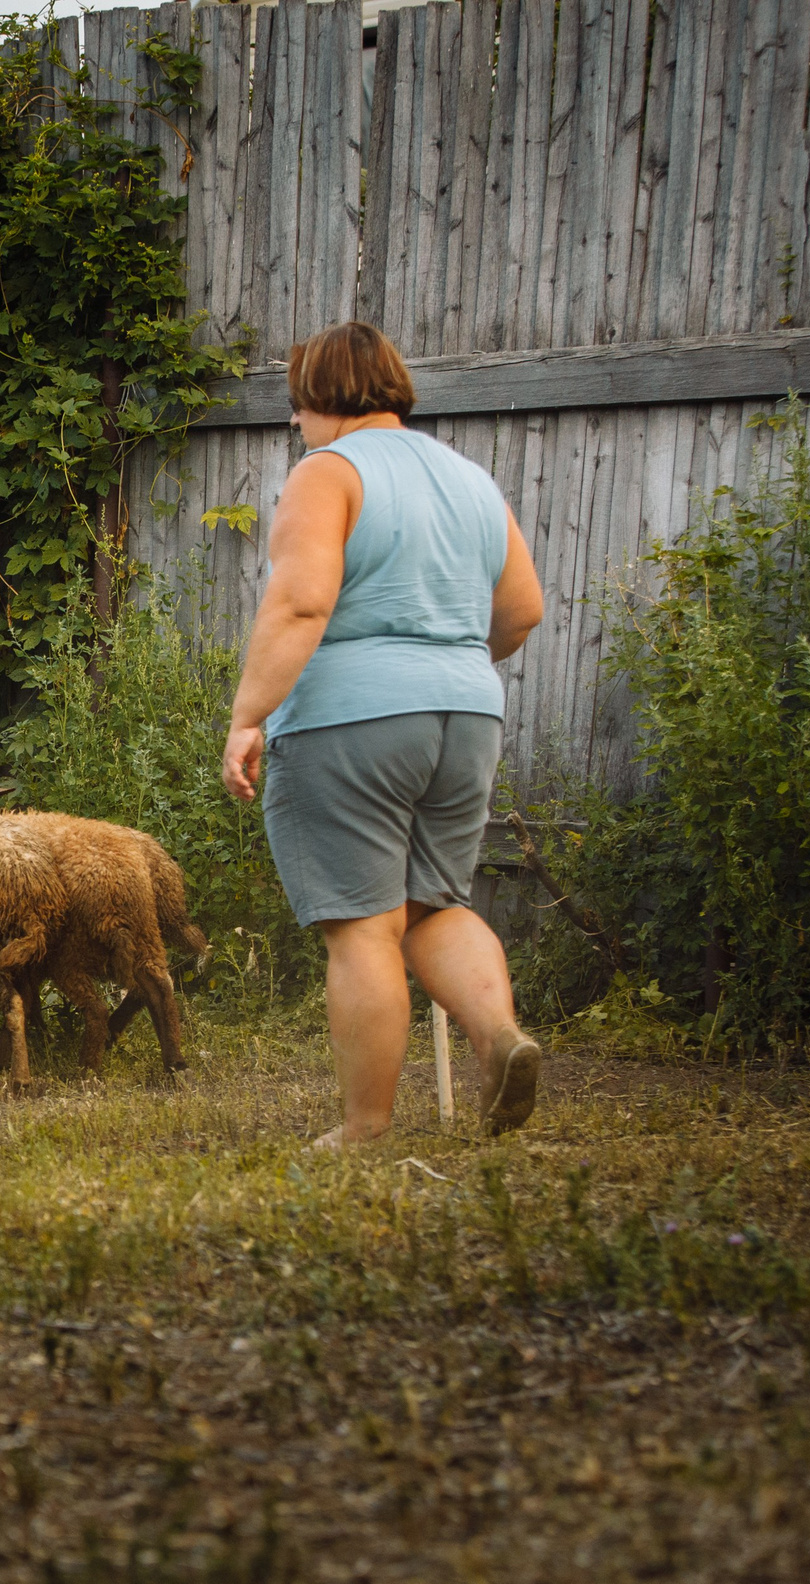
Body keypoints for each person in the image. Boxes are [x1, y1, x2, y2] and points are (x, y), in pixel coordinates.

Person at [220, 322, 546, 1148]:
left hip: (351, 717)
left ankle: (366, 1129)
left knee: (364, 925)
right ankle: (499, 1035)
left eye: (296, 404)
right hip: (468, 711)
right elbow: (521, 612)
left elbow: (300, 605)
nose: (295, 422)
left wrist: (247, 716)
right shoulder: (469, 478)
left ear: (322, 397)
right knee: (434, 903)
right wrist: (445, 660)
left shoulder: (327, 474)